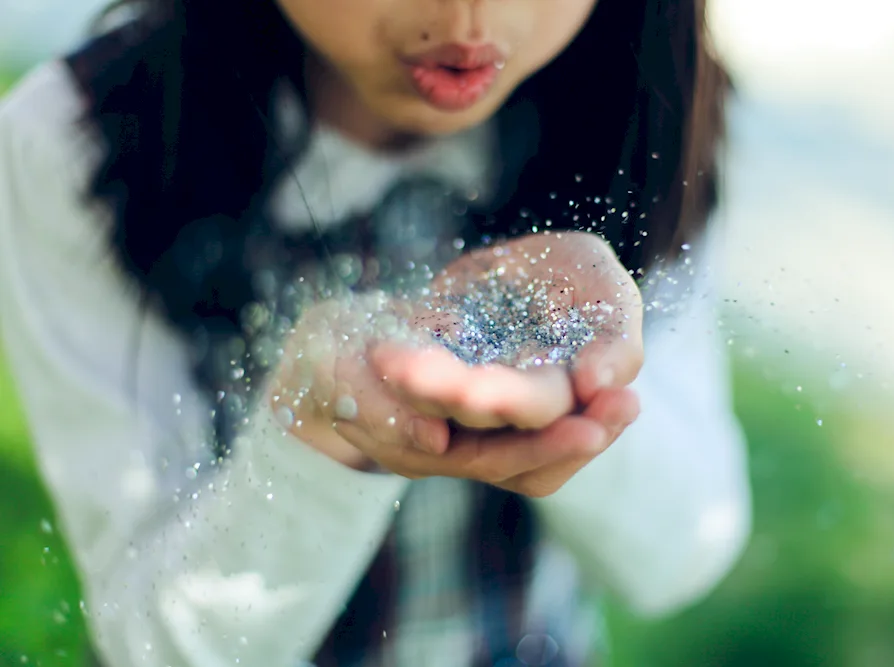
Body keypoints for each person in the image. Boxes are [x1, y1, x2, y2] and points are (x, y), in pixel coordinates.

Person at [0, 0, 751, 665]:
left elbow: (680, 553)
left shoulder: (638, 103)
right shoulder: (86, 145)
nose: (469, 18)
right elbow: (156, 644)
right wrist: (317, 430)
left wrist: (587, 382)